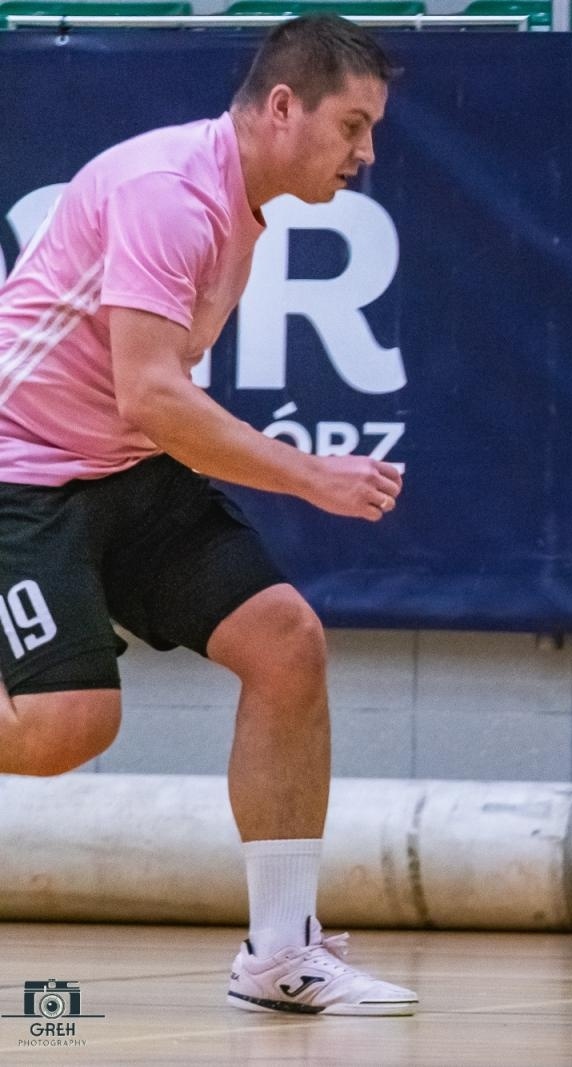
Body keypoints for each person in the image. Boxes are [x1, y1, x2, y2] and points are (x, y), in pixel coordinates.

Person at [0, 15, 416, 1016]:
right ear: (283, 108)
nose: (365, 155)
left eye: (372, 133)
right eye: (352, 126)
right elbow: (153, 394)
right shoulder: (170, 195)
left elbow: (139, 414)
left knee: (286, 642)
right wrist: (308, 474)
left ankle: (280, 952)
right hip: (20, 468)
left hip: (123, 469)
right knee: (65, 726)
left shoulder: (241, 206)